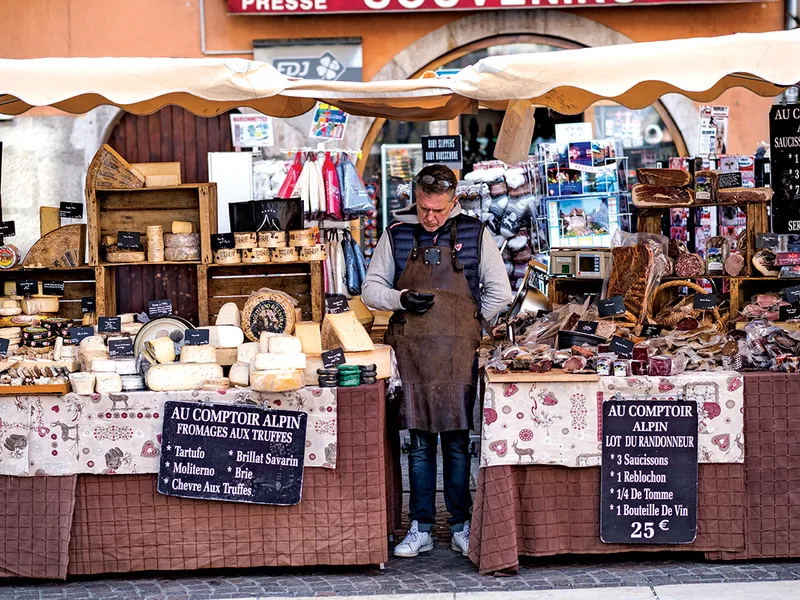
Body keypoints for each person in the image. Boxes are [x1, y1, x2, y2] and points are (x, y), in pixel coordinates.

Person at [362, 164, 513, 559]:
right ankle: (421, 526)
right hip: (413, 352)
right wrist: (400, 299)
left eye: (439, 210)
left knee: (459, 441)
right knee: (420, 443)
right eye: (425, 208)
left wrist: (473, 319)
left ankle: (462, 524)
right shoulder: (396, 235)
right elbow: (370, 289)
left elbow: (501, 292)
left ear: (454, 202)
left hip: (458, 353)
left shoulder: (475, 234)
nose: (430, 217)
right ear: (416, 198)